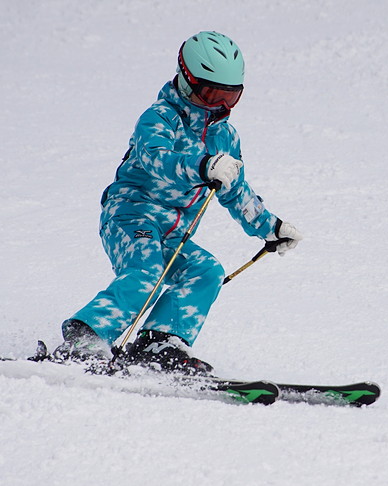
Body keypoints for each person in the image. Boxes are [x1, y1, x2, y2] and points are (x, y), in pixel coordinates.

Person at [53, 31, 302, 374]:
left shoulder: (225, 137)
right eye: (212, 93)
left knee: (206, 271)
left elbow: (235, 190)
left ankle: (159, 342)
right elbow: (157, 160)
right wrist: (202, 166)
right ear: (187, 81)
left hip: (173, 232)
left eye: (231, 97)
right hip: (129, 215)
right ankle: (85, 336)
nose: (221, 106)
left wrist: (269, 227)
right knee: (146, 272)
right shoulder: (158, 118)